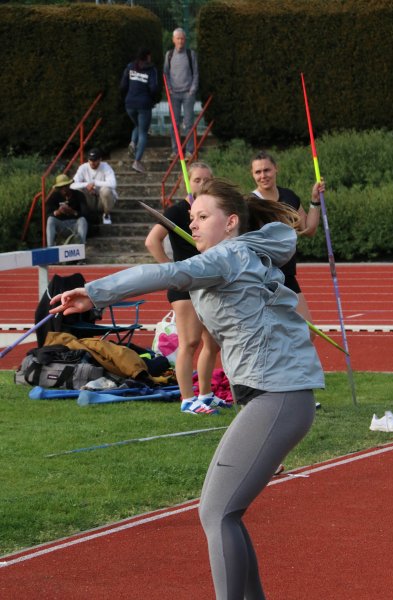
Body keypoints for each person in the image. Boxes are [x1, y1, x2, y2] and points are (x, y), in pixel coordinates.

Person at [50, 178, 324, 599]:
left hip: (279, 397)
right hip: (275, 397)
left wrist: (95, 292)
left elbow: (168, 271)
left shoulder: (230, 255)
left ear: (231, 222)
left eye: (202, 216)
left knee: (217, 513)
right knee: (224, 513)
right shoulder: (237, 255)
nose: (192, 224)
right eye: (191, 216)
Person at [145, 162, 225, 415]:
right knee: (190, 342)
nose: (203, 184)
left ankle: (205, 395)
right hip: (185, 286)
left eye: (207, 179)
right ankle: (187, 400)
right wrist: (170, 270)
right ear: (187, 182)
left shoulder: (213, 211)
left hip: (208, 283)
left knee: (212, 344)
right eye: (198, 180)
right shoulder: (179, 211)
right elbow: (152, 240)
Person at [251, 151, 325, 331]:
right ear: (252, 175)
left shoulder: (289, 197)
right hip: (263, 279)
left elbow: (307, 229)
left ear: (276, 169)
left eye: (267, 170)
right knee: (272, 334)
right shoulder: (250, 203)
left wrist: (315, 201)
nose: (263, 176)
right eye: (258, 172)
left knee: (308, 332)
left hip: (287, 275)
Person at [120, 47, 159, 174]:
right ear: (147, 56)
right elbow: (154, 88)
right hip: (144, 104)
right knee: (143, 131)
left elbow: (123, 85)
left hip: (129, 103)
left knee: (137, 125)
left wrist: (128, 96)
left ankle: (132, 142)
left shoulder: (130, 67)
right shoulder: (151, 69)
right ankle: (137, 161)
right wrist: (152, 99)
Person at [163, 27, 199, 161]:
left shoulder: (191, 54)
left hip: (188, 94)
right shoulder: (169, 55)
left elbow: (196, 73)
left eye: (182, 38)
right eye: (178, 38)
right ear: (173, 40)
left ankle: (190, 151)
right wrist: (169, 89)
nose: (180, 41)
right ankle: (176, 151)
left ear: (185, 40)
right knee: (174, 124)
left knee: (189, 123)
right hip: (174, 95)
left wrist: (192, 90)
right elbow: (165, 73)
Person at [71, 147, 118, 225]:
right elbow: (72, 185)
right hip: (90, 199)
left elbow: (113, 184)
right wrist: (87, 185)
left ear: (100, 159)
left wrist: (95, 183)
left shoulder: (106, 167)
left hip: (102, 201)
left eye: (95, 160)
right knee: (77, 190)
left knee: (106, 190)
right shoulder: (83, 167)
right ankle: (83, 215)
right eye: (90, 160)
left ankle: (106, 214)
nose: (92, 162)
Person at [46, 173, 88, 247]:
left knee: (82, 220)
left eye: (65, 186)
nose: (63, 189)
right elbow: (48, 213)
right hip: (61, 225)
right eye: (60, 187)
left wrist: (73, 212)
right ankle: (50, 248)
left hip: (75, 224)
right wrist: (58, 212)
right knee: (50, 220)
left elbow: (86, 214)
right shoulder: (54, 196)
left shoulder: (79, 195)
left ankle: (81, 248)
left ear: (69, 185)